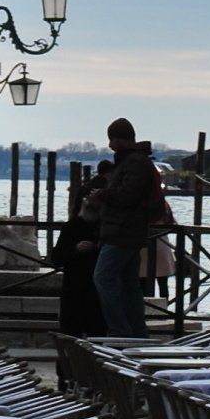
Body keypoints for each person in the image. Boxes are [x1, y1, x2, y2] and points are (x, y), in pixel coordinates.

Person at [92, 119, 168, 340]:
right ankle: (136, 332)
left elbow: (127, 196)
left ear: (119, 139)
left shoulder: (134, 162)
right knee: (128, 284)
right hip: (127, 231)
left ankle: (119, 330)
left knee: (103, 276)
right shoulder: (134, 161)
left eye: (112, 139)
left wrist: (102, 195)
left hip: (123, 231)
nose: (109, 145)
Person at [50, 169, 108, 336]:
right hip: (74, 289)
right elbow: (56, 258)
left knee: (97, 333)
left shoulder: (106, 228)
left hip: (96, 293)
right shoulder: (72, 227)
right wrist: (75, 249)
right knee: (71, 333)